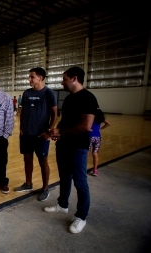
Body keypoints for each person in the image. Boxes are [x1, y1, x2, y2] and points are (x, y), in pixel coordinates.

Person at [45, 66, 98, 234]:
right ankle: (62, 205)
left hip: (78, 147)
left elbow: (86, 126)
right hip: (64, 145)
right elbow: (64, 121)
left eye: (64, 79)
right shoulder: (68, 99)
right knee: (64, 177)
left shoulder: (88, 98)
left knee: (80, 182)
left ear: (74, 78)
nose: (62, 82)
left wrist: (62, 132)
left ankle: (81, 216)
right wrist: (56, 132)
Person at [15, 67, 57, 202]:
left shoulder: (49, 93)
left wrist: (49, 131)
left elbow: (55, 114)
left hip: (41, 135)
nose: (29, 79)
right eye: (29, 77)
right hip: (26, 134)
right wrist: (21, 128)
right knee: (27, 159)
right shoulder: (26, 93)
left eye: (32, 77)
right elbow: (23, 113)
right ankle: (28, 183)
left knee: (43, 161)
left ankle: (45, 188)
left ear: (40, 78)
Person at [89, 108, 110, 176]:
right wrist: (101, 128)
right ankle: (95, 170)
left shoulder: (91, 117)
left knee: (86, 153)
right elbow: (108, 123)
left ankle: (82, 170)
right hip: (98, 137)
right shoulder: (100, 118)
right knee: (95, 153)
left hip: (90, 136)